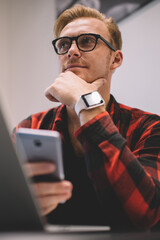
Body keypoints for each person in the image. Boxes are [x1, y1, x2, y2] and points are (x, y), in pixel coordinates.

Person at [14, 4, 160, 232]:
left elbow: (146, 214)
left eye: (87, 41)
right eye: (64, 44)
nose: (71, 51)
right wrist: (19, 204)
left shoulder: (149, 128)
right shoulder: (30, 127)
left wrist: (87, 103)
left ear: (115, 59)